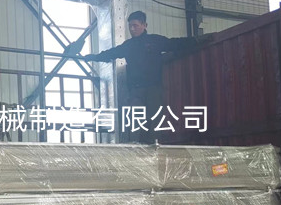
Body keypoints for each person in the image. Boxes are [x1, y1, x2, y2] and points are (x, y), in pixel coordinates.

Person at [84, 11, 207, 143]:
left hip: (154, 89)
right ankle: (135, 147)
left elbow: (174, 43)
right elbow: (112, 53)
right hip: (135, 91)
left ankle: (155, 146)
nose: (132, 29)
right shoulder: (128, 46)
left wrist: (196, 40)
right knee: (135, 120)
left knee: (155, 119)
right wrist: (94, 57)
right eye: (130, 26)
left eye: (135, 26)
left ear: (144, 25)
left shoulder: (155, 41)